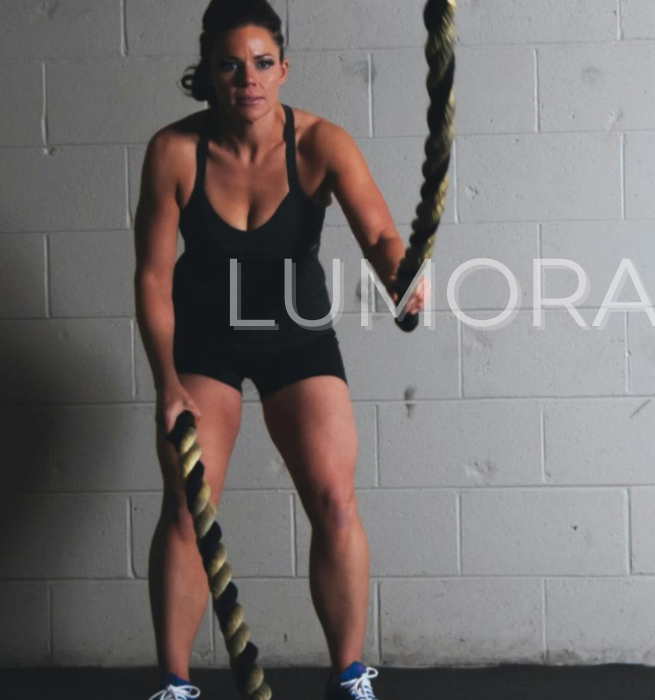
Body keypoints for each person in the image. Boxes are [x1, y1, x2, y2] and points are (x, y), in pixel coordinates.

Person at [132, 1, 426, 699]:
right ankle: (174, 684)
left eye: (263, 63)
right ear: (209, 71)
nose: (249, 80)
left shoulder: (322, 142)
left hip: (296, 338)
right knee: (187, 507)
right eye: (231, 66)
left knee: (335, 499)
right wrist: (166, 381)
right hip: (205, 344)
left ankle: (349, 674)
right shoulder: (174, 151)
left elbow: (380, 235)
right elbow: (152, 277)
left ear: (284, 69)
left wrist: (402, 276)